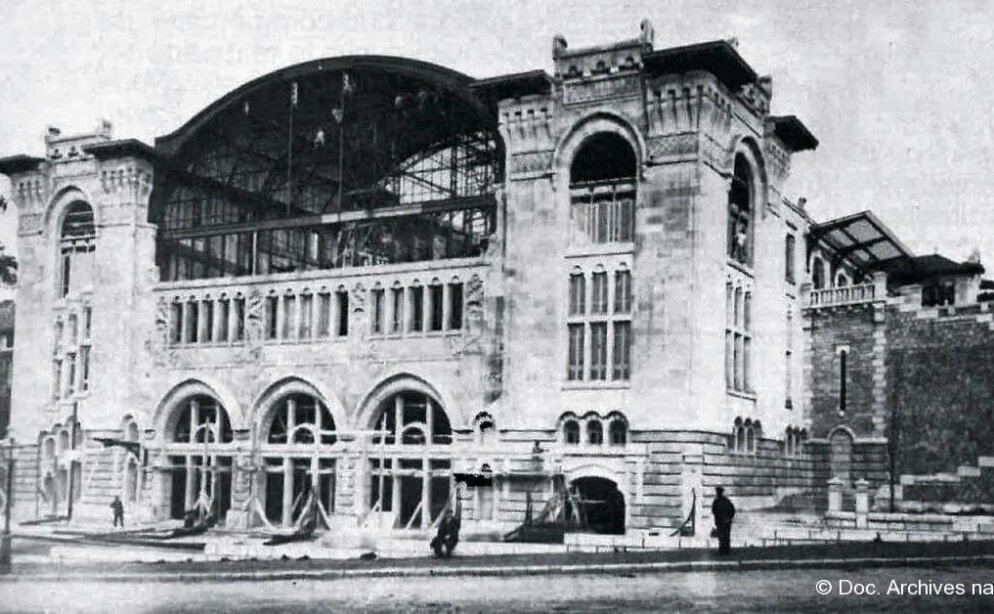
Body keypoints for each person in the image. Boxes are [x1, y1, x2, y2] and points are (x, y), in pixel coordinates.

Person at [711, 487, 735, 555]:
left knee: (724, 536)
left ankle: (725, 550)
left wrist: (729, 518)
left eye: (718, 492)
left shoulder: (724, 501)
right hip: (722, 522)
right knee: (723, 537)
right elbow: (713, 510)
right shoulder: (718, 501)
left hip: (724, 522)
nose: (717, 494)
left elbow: (732, 510)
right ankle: (724, 550)